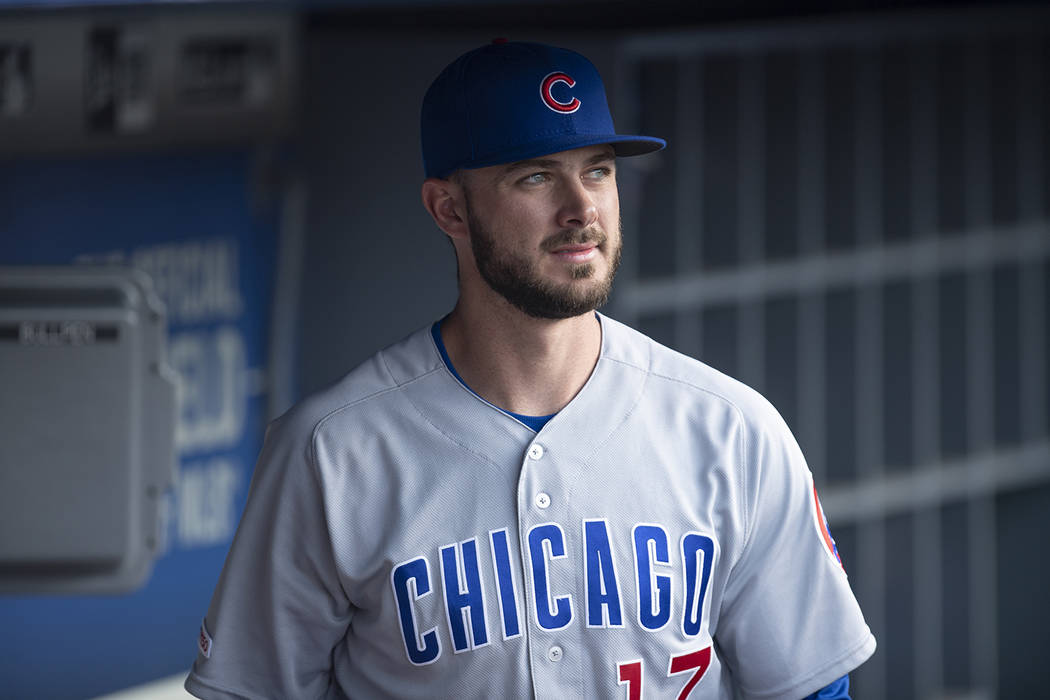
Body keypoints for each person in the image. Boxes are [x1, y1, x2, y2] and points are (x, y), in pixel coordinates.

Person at [184, 40, 875, 700]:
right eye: (536, 175)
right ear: (448, 208)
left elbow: (812, 685)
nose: (582, 211)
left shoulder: (731, 430)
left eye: (598, 169)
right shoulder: (329, 452)